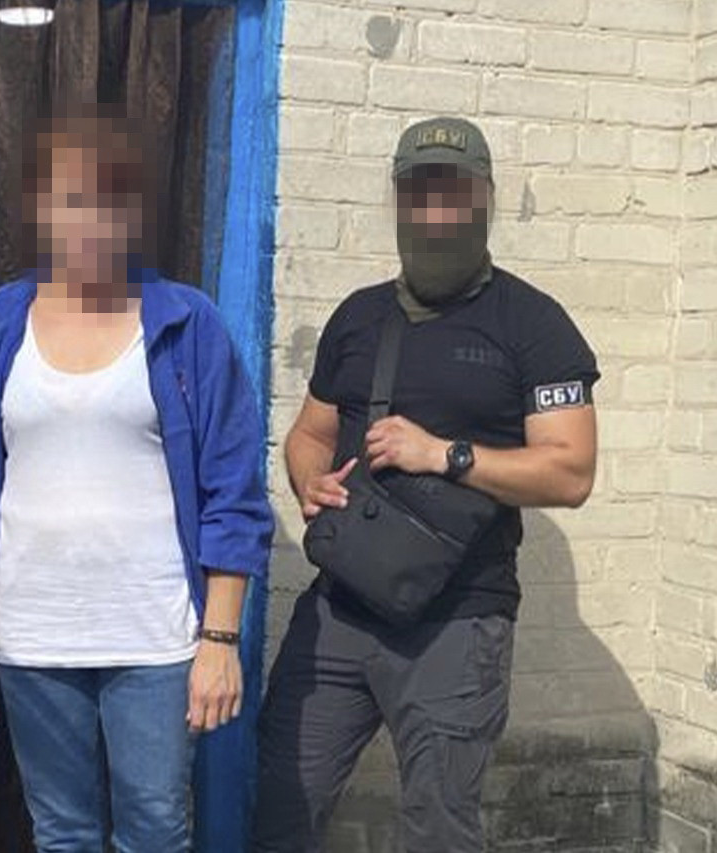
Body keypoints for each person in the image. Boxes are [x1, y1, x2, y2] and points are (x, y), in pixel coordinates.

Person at [253, 116, 600, 852]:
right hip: (341, 609)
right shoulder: (359, 317)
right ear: (399, 200)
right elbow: (309, 433)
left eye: (455, 192)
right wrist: (311, 483)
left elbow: (571, 471)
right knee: (282, 805)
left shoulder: (534, 325)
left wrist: (446, 454)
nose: (437, 210)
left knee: (439, 829)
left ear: (486, 198)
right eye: (420, 192)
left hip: (458, 622)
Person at [0, 107, 273, 853]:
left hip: (155, 639)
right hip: (31, 638)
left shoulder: (186, 324)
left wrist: (220, 639)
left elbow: (233, 495)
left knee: (155, 832)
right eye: (70, 199)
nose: (89, 220)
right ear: (39, 208)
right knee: (62, 834)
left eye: (109, 199)